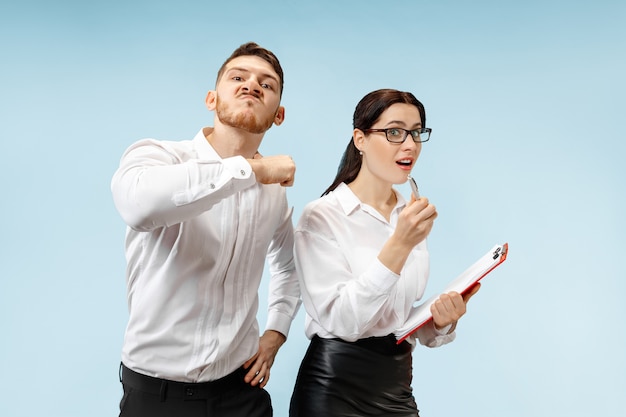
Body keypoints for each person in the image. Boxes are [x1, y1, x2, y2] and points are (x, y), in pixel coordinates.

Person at [111, 42, 301, 417]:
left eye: (267, 84)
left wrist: (276, 332)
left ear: (278, 115)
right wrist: (252, 171)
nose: (252, 85)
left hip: (240, 393)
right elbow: (139, 207)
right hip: (156, 397)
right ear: (211, 99)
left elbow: (289, 265)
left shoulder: (274, 194)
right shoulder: (158, 157)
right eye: (238, 77)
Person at [289, 89, 480, 417]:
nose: (409, 145)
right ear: (360, 139)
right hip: (334, 388)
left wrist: (440, 322)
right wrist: (400, 244)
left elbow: (396, 315)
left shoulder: (409, 212)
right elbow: (345, 321)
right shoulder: (322, 216)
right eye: (394, 132)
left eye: (416, 132)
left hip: (396, 385)